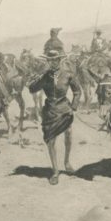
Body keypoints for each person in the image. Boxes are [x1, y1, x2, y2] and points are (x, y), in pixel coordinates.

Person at [28, 49, 81, 185]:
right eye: (50, 61)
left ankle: (67, 162)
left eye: (55, 60)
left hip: (64, 109)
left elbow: (77, 91)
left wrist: (73, 107)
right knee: (51, 141)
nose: (53, 63)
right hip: (50, 111)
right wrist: (34, 79)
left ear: (60, 60)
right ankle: (55, 171)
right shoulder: (45, 76)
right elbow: (32, 89)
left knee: (68, 134)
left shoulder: (68, 74)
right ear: (48, 61)